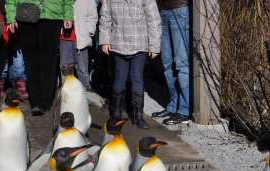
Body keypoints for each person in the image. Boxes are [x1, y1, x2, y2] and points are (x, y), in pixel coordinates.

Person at [99, 0, 161, 129]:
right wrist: (104, 40)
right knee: (119, 78)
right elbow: (105, 17)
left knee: (137, 78)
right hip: (118, 43)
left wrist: (154, 46)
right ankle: (116, 114)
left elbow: (153, 19)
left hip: (139, 43)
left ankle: (138, 116)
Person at [5, 0, 73, 115]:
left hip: (52, 16)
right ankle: (35, 101)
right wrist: (11, 16)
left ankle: (46, 100)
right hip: (27, 15)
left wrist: (68, 15)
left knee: (49, 61)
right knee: (31, 62)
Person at [151, 0, 190, 125]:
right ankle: (173, 106)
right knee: (167, 65)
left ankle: (185, 110)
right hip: (162, 11)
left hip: (180, 9)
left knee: (182, 64)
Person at [59, 0, 97, 90]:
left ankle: (86, 95)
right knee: (66, 69)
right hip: (64, 39)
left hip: (81, 39)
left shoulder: (88, 1)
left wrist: (88, 32)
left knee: (82, 69)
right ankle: (67, 96)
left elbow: (93, 17)